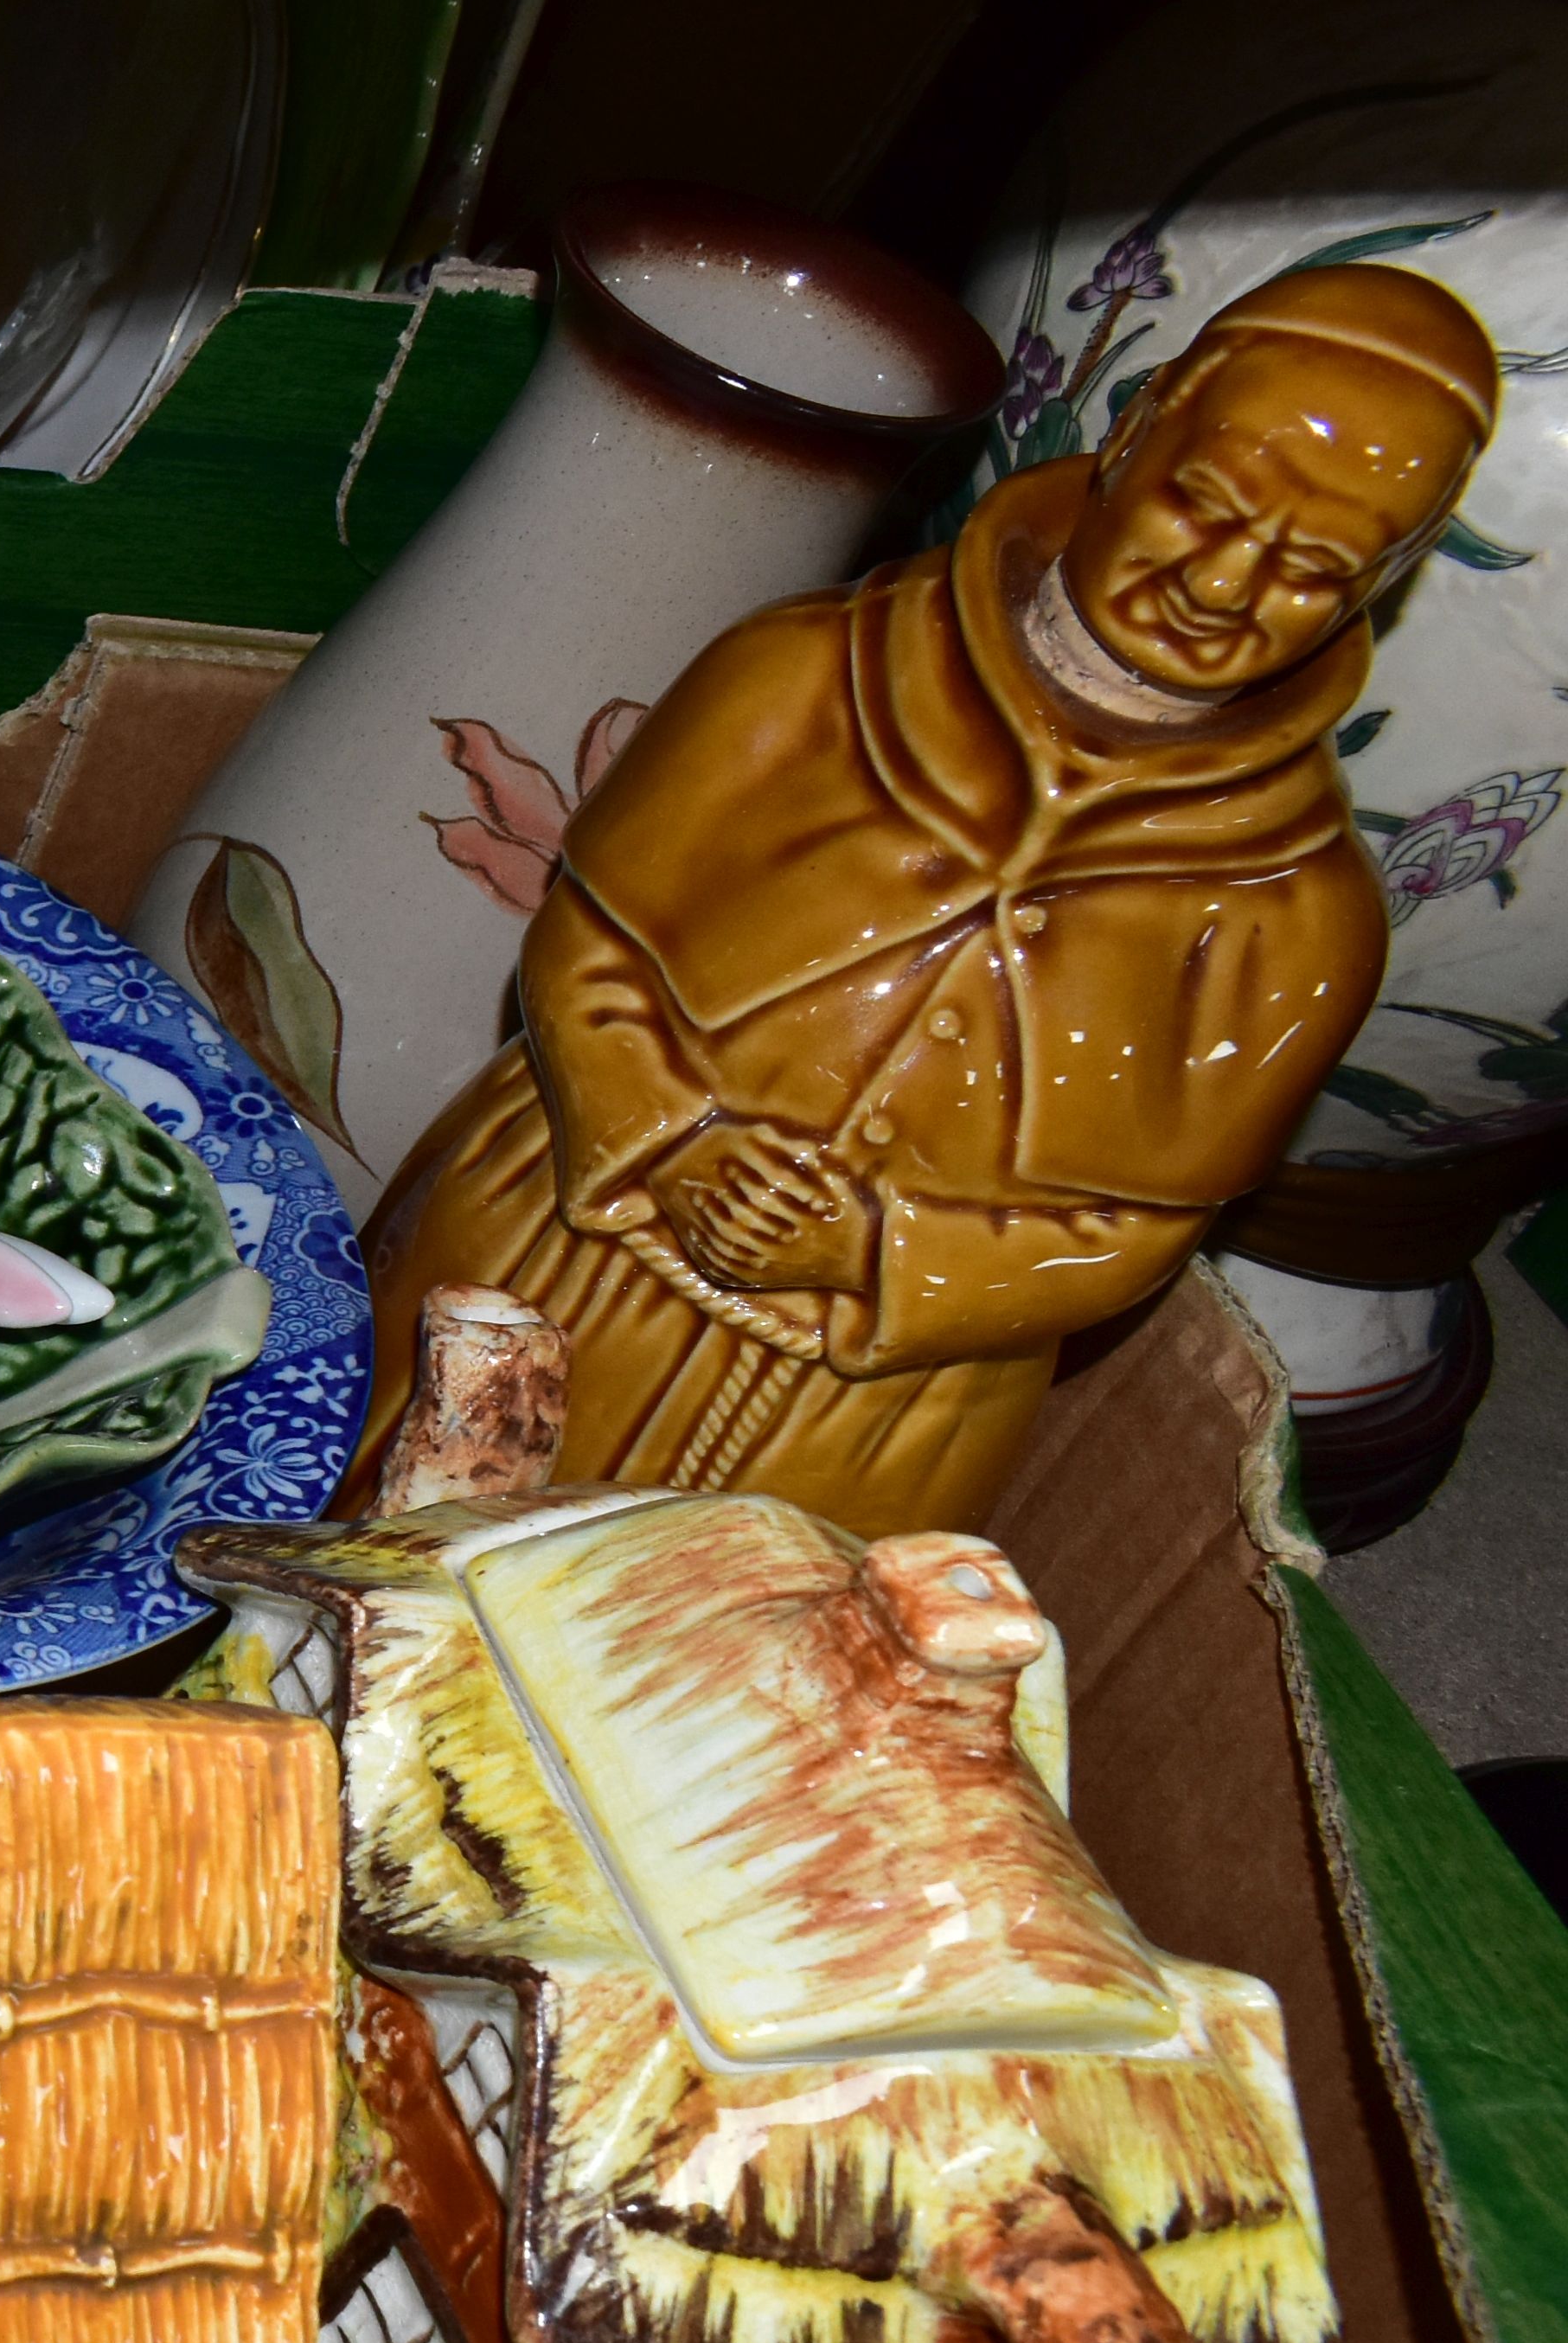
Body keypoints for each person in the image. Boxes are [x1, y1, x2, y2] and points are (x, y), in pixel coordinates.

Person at [355, 262, 1503, 1535]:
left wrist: (869, 1247)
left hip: (878, 1403)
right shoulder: (803, 675)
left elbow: (1129, 1229)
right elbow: (587, 948)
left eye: (1312, 568)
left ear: (1378, 588)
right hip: (556, 1250)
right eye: (1206, 506)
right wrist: (676, 1140)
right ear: (1134, 430)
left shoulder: (1296, 916)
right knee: (348, 1544)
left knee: (730, 1685)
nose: (1222, 588)